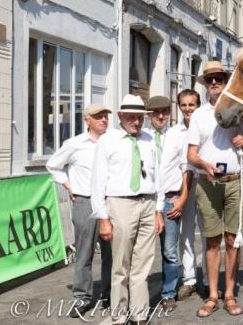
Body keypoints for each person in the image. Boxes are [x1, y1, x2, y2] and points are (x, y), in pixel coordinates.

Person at [187, 61, 243, 317]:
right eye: (209, 80)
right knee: (212, 241)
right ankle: (212, 296)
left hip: (236, 182)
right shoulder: (198, 115)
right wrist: (203, 164)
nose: (214, 83)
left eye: (219, 78)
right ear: (205, 85)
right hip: (208, 183)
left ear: (225, 80)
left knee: (233, 240)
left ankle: (230, 294)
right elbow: (191, 154)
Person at [91, 94, 165, 325]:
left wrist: (158, 210)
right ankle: (119, 315)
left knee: (142, 265)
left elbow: (157, 176)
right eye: (131, 117)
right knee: (120, 265)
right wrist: (103, 217)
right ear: (121, 116)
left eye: (140, 118)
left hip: (148, 202)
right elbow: (97, 182)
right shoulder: (108, 140)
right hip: (120, 203)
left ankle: (140, 315)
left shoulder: (149, 139)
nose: (136, 122)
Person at [46, 104, 112, 318]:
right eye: (98, 117)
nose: (103, 120)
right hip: (85, 202)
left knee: (112, 254)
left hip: (110, 202)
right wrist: (67, 184)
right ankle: (82, 298)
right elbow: (53, 165)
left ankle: (110, 294)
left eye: (105, 116)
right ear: (87, 120)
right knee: (84, 254)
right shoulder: (74, 144)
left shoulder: (113, 142)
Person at [144, 96, 191, 312]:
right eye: (156, 112)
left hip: (171, 200)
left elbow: (185, 168)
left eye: (164, 111)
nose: (161, 116)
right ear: (149, 114)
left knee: (169, 251)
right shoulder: (141, 137)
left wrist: (182, 198)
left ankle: (168, 293)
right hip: (145, 201)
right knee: (141, 251)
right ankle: (137, 295)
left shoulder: (178, 136)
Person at [173, 89, 210, 301]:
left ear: (198, 105)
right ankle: (189, 279)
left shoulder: (205, 126)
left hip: (203, 183)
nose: (188, 109)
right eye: (184, 105)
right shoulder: (175, 132)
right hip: (183, 185)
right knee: (185, 234)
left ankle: (206, 278)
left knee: (207, 233)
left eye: (192, 105)